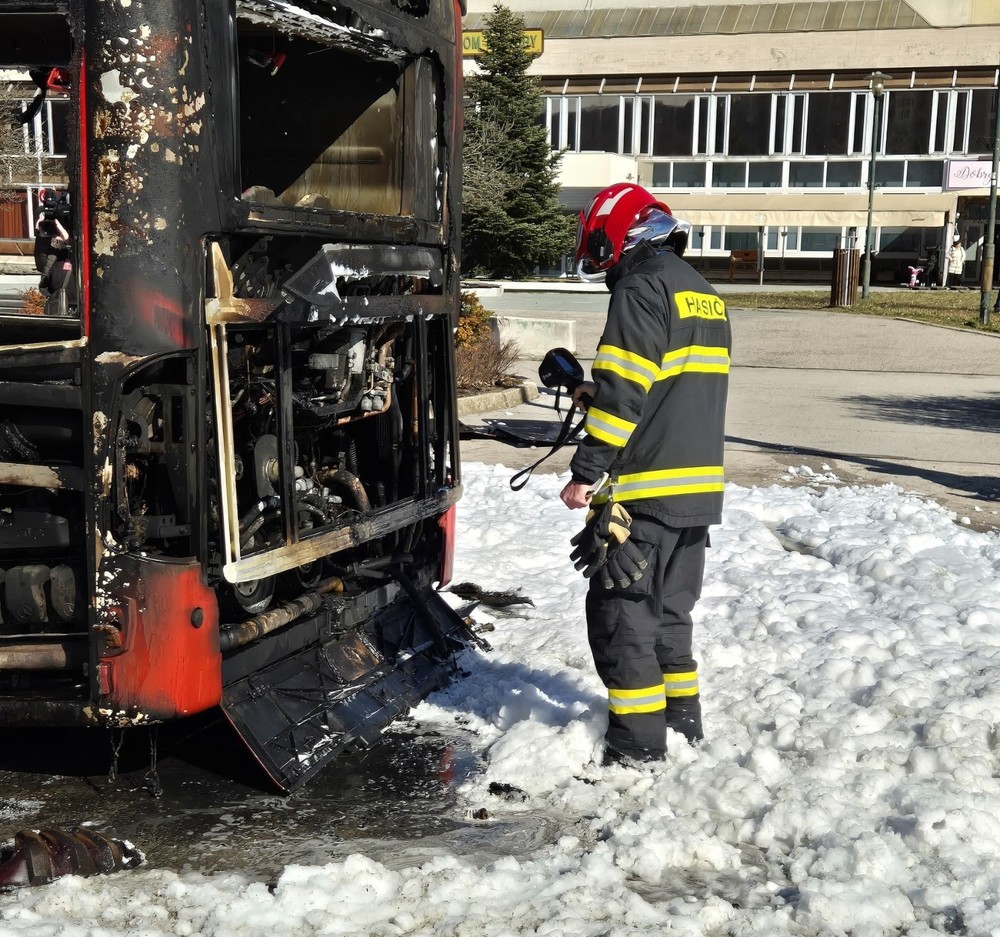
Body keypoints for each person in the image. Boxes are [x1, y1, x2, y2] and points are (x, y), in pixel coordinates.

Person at [559, 182, 731, 766]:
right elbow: (666, 386)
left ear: (616, 236)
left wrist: (585, 472)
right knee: (669, 617)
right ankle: (683, 729)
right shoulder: (701, 291)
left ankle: (635, 754)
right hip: (696, 492)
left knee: (623, 619)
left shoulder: (637, 288)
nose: (598, 263)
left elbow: (623, 398)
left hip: (644, 493)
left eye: (597, 250)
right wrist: (597, 389)